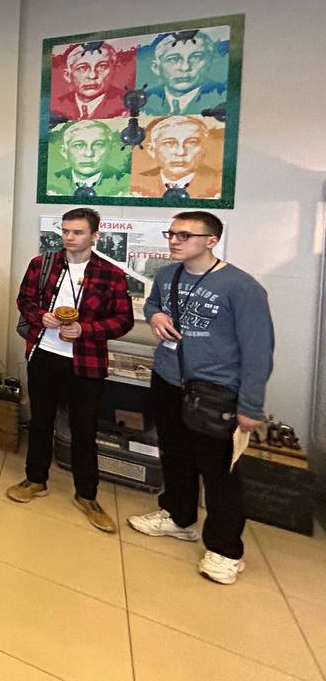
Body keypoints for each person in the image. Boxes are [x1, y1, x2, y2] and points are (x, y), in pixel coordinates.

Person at [127, 212, 273, 585]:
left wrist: (250, 405)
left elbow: (258, 350)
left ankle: (226, 550)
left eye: (185, 235)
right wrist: (155, 315)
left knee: (220, 471)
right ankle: (178, 517)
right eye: (172, 233)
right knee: (175, 454)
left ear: (211, 241)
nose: (174, 241)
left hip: (215, 390)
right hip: (168, 379)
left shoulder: (241, 287)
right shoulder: (167, 275)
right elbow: (152, 305)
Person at [8, 207, 134, 532]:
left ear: (95, 236)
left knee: (84, 428)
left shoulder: (111, 274)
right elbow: (24, 300)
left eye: (77, 232)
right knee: (40, 420)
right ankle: (35, 479)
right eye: (65, 231)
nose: (69, 237)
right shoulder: (42, 264)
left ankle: (87, 495)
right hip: (44, 353)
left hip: (86, 359)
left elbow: (124, 320)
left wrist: (86, 329)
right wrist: (41, 317)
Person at [130, 115, 222, 199]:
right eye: (169, 143)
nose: (180, 152)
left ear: (204, 149)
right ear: (152, 150)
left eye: (191, 142)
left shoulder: (218, 183)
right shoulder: (137, 183)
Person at [141, 29, 227, 116]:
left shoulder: (223, 95)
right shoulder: (144, 101)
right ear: (156, 68)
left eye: (196, 57)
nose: (185, 67)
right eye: (173, 59)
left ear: (210, 62)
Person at [45, 119, 131, 198]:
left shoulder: (125, 183)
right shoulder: (52, 183)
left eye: (98, 145)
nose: (89, 154)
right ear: (64, 152)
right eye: (79, 145)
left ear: (110, 150)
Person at [50, 42, 128, 123]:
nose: (92, 75)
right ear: (67, 75)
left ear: (115, 70)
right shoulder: (54, 108)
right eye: (82, 68)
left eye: (102, 66)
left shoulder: (127, 104)